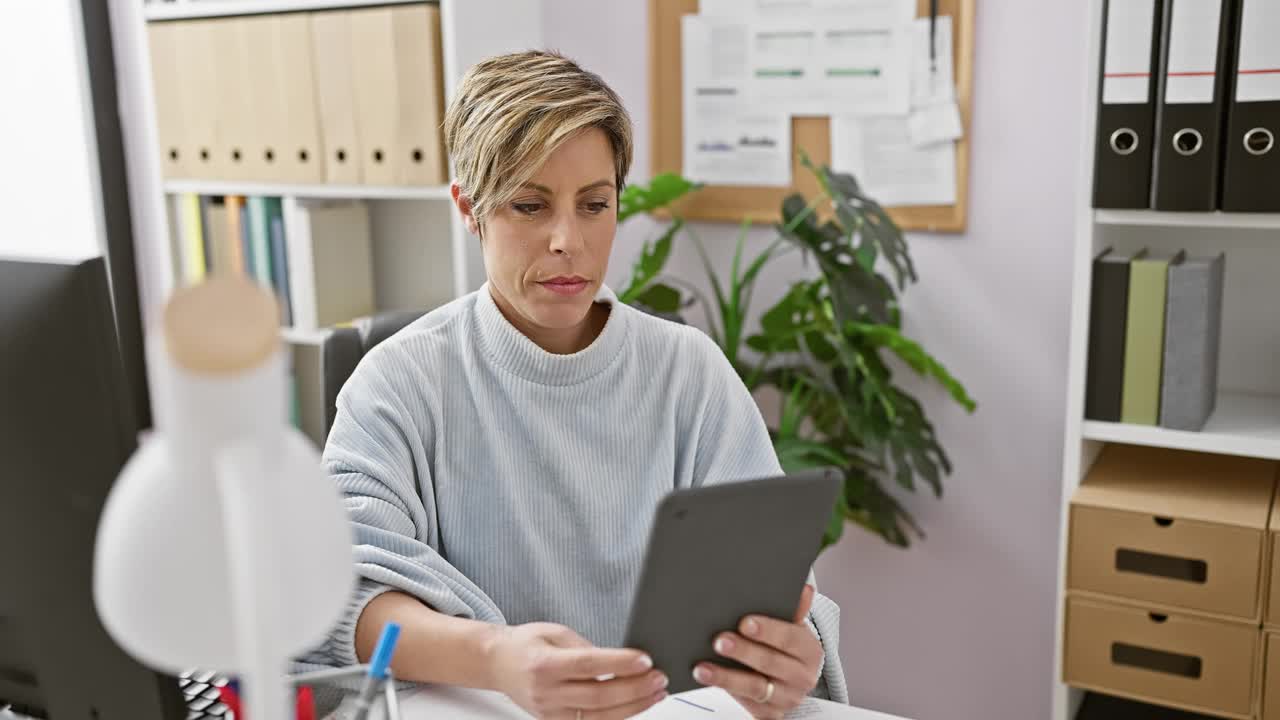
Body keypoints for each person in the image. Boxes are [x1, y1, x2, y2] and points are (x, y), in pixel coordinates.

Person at [299, 50, 848, 720]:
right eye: (529, 206)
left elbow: (779, 596)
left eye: (595, 205)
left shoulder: (691, 374)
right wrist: (494, 658)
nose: (568, 240)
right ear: (469, 210)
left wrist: (793, 657)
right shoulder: (398, 382)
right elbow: (345, 598)